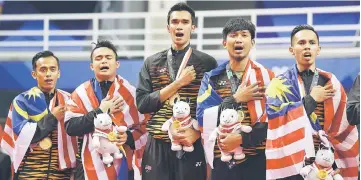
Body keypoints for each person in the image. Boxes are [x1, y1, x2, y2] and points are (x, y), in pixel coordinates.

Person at [265, 24, 359, 180]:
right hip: (292, 163)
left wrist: (338, 165)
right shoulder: (279, 84)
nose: (307, 47)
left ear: (318, 49)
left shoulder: (331, 82)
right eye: (301, 43)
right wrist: (310, 100)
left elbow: (344, 128)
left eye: (311, 43)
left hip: (326, 165)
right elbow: (273, 123)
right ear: (291, 49)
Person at [136, 2, 217, 180]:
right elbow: (142, 104)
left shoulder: (207, 63)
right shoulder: (152, 62)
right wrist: (178, 83)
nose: (179, 26)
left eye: (185, 22)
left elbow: (214, 108)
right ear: (168, 27)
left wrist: (197, 133)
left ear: (193, 27)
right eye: (175, 22)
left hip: (191, 141)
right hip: (158, 142)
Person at [196, 18, 274, 180]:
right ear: (224, 42)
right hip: (222, 159)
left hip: (257, 160)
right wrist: (235, 99)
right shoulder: (212, 78)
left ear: (252, 42)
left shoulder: (267, 77)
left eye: (244, 35)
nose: (238, 39)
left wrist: (242, 138)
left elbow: (275, 120)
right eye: (233, 35)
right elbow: (203, 116)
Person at [65, 40, 149, 180]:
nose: (104, 61)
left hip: (123, 165)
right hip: (89, 166)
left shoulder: (131, 94)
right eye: (99, 58)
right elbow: (71, 127)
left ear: (117, 64)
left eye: (108, 57)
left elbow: (146, 126)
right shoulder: (80, 94)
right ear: (92, 66)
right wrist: (100, 110)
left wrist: (128, 137)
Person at [0, 51, 77, 179]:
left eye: (52, 69)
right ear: (34, 74)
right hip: (29, 172)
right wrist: (52, 117)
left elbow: (78, 137)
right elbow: (22, 136)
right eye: (43, 69)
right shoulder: (22, 101)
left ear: (58, 73)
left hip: (60, 174)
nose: (48, 74)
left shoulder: (69, 100)